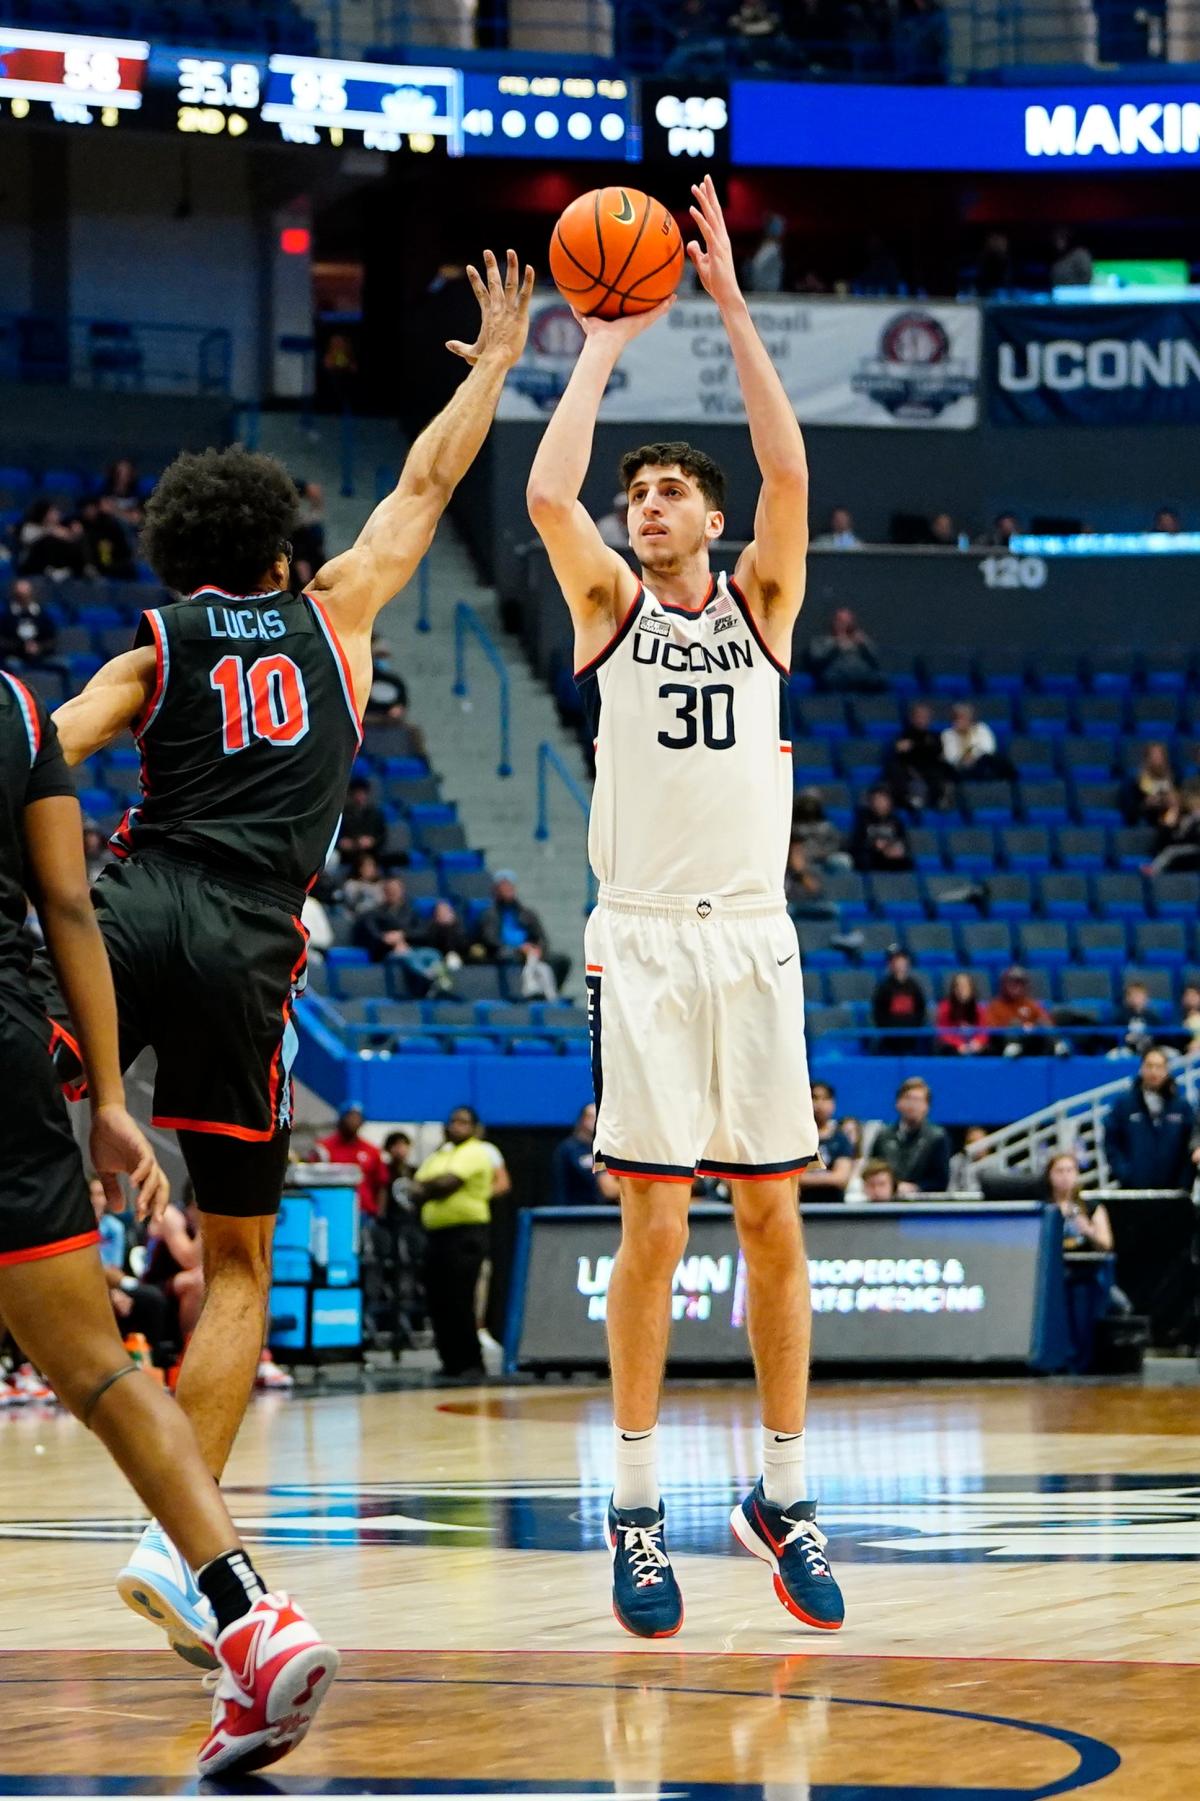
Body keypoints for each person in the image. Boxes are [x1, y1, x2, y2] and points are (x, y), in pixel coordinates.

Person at [49, 246, 534, 1653]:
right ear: (276, 546)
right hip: (254, 945)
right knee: (241, 1266)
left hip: (135, 909)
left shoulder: (154, 645)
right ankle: (179, 1545)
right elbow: (427, 487)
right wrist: (496, 360)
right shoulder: (339, 611)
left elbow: (50, 747)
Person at [525, 174, 843, 1637]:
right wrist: (601, 329)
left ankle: (783, 1493)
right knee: (655, 1225)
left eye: (667, 493)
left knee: (775, 1218)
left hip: (753, 938)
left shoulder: (762, 601)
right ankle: (636, 1510)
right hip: (644, 935)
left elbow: (789, 471)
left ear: (708, 518)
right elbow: (542, 491)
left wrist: (723, 303)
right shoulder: (611, 611)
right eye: (635, 495)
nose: (644, 506)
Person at [0, 668, 337, 1771]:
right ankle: (249, 1612)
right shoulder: (10, 705)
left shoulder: (120, 672)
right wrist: (105, 1099)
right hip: (13, 1053)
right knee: (99, 1370)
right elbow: (65, 908)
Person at [411, 1103, 495, 1381]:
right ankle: (450, 1362)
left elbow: (447, 1183)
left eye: (463, 1122)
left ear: (474, 1128)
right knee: (438, 1300)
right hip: (437, 1235)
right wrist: (425, 1187)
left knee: (460, 1299)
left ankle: (471, 1363)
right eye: (453, 1121)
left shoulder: (475, 1151)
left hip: (465, 1235)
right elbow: (416, 1185)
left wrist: (426, 1187)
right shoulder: (441, 1154)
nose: (456, 1126)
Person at [1103, 1046, 1196, 1193]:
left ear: (1167, 1070)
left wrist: (1184, 1183)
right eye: (1149, 1066)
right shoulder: (1124, 1104)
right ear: (1141, 1068)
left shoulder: (1181, 1107)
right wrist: (1125, 1174)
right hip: (1133, 1192)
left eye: (1159, 1066)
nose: (1154, 1072)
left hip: (1173, 1194)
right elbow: (1112, 1143)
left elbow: (1190, 1145)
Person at [473, 870, 569, 994]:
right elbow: (490, 939)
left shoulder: (527, 913)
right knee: (507, 956)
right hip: (505, 952)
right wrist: (518, 949)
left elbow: (541, 937)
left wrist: (539, 950)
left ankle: (551, 995)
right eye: (504, 886)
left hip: (530, 954)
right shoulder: (489, 915)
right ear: (497, 890)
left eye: (510, 886)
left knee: (562, 961)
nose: (507, 889)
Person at [871, 1079, 950, 1195]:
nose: (912, 1104)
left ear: (927, 1106)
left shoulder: (937, 1137)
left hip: (924, 1203)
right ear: (897, 1103)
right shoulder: (883, 1135)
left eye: (918, 1100)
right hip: (887, 1201)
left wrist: (916, 1188)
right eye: (908, 1098)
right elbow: (873, 1169)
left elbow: (941, 1180)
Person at [314, 1105, 389, 1219]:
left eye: (357, 1117)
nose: (354, 1121)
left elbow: (381, 1183)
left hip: (364, 1211)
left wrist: (380, 1212)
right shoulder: (324, 1148)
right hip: (332, 1209)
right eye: (350, 1116)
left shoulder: (372, 1150)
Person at [552, 1102, 622, 1205]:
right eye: (592, 1117)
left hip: (601, 1214)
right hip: (575, 1215)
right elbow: (609, 1190)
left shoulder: (605, 1149)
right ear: (583, 1120)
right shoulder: (571, 1149)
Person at [886, 701, 950, 810]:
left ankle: (939, 800)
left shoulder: (935, 737)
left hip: (930, 773)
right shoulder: (903, 735)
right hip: (909, 773)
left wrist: (914, 746)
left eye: (925, 717)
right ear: (912, 718)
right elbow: (901, 752)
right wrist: (921, 747)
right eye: (918, 716)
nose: (921, 720)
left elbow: (935, 751)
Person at [805, 606, 884, 691]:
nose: (844, 624)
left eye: (848, 621)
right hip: (834, 680)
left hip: (863, 680)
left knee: (880, 681)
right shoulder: (821, 641)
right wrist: (836, 648)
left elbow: (876, 660)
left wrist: (863, 645)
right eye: (841, 621)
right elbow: (816, 662)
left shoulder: (862, 641)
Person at [799, 1081, 854, 1196]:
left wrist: (806, 1178)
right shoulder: (797, 1138)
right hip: (803, 1206)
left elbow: (841, 1179)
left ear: (833, 1104)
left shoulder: (841, 1139)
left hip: (834, 1208)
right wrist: (829, 1176)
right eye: (814, 1098)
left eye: (825, 1098)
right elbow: (792, 1178)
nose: (819, 1104)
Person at [984, 965, 1052, 1053]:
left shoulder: (1030, 1003)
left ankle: (1057, 1046)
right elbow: (992, 1029)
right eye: (1012, 983)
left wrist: (1030, 1026)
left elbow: (1044, 1020)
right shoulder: (995, 1005)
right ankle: (1013, 1046)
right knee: (1014, 1023)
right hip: (1004, 1045)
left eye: (1020, 983)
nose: (1016, 987)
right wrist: (1015, 1027)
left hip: (1030, 1042)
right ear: (1004, 985)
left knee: (1043, 1023)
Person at [872, 945, 927, 1051]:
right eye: (896, 960)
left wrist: (914, 1028)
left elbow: (921, 1008)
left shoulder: (914, 986)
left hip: (911, 1037)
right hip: (890, 1038)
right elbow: (878, 1012)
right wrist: (888, 1031)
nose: (899, 964)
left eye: (902, 960)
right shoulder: (883, 987)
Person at [354, 872, 418, 963]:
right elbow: (373, 933)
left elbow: (422, 932)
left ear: (402, 890)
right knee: (405, 958)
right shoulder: (375, 913)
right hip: (387, 952)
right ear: (384, 892)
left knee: (431, 954)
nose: (393, 893)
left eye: (395, 890)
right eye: (389, 890)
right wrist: (388, 939)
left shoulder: (411, 911)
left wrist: (402, 935)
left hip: (412, 948)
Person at [852, 784, 912, 873]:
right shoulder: (863, 819)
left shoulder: (896, 821)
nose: (879, 803)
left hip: (892, 858)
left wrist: (897, 849)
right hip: (872, 857)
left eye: (883, 800)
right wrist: (874, 846)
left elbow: (904, 842)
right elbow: (856, 844)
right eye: (876, 800)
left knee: (908, 862)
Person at [0, 577, 58, 665]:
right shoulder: (7, 617)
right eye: (20, 595)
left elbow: (52, 639)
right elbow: (3, 641)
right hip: (13, 655)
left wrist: (39, 647)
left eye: (26, 594)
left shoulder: (42, 615)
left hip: (40, 655)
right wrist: (22, 647)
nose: (23, 597)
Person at [941, 701, 1002, 781]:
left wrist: (973, 756)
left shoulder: (981, 728)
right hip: (960, 768)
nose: (961, 721)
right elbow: (951, 756)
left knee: (996, 762)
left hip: (981, 763)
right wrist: (964, 758)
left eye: (964, 717)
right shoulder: (948, 734)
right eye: (958, 717)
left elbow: (989, 748)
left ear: (971, 718)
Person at [791, 788, 849, 871]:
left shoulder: (827, 826)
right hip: (801, 858)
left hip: (824, 858)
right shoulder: (793, 827)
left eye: (812, 802)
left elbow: (835, 843)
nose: (809, 806)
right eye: (806, 802)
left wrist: (823, 852)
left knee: (843, 860)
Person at [1123, 741, 1176, 829]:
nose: (1157, 760)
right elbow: (1130, 811)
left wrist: (1173, 800)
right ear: (1146, 759)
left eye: (1160, 756)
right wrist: (1146, 804)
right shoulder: (1135, 782)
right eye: (1154, 756)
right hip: (1147, 820)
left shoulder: (1173, 779)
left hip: (1170, 820)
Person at [336, 775, 387, 863]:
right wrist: (341, 843)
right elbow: (336, 836)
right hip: (346, 854)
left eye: (362, 793)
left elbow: (382, 835)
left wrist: (372, 841)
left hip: (371, 852)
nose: (360, 796)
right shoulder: (342, 814)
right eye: (357, 793)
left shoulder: (375, 814)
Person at [936, 971, 988, 1055]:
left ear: (971, 989)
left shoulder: (979, 1008)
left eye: (965, 986)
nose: (961, 990)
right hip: (954, 1047)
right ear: (953, 990)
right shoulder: (944, 1007)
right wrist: (959, 1044)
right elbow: (943, 1033)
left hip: (974, 1046)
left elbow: (983, 1031)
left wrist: (977, 1042)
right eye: (958, 986)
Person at [785, 839, 835, 920]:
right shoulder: (781, 871)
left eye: (798, 852)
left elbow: (815, 890)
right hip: (789, 908)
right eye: (792, 852)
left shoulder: (813, 869)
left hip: (807, 907)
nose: (794, 856)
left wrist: (800, 871)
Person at [1112, 978, 1162, 1059]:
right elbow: (1113, 1036)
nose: (1136, 998)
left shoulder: (1152, 1017)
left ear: (1146, 998)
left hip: (1151, 1049)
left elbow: (1162, 1035)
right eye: (1132, 995)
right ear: (1127, 998)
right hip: (1126, 1049)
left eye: (1139, 995)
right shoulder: (1121, 1017)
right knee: (1114, 1056)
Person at [947, 1125, 989, 1195]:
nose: (978, 1147)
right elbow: (951, 1188)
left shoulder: (994, 1163)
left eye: (981, 1142)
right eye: (974, 1142)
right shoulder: (956, 1162)